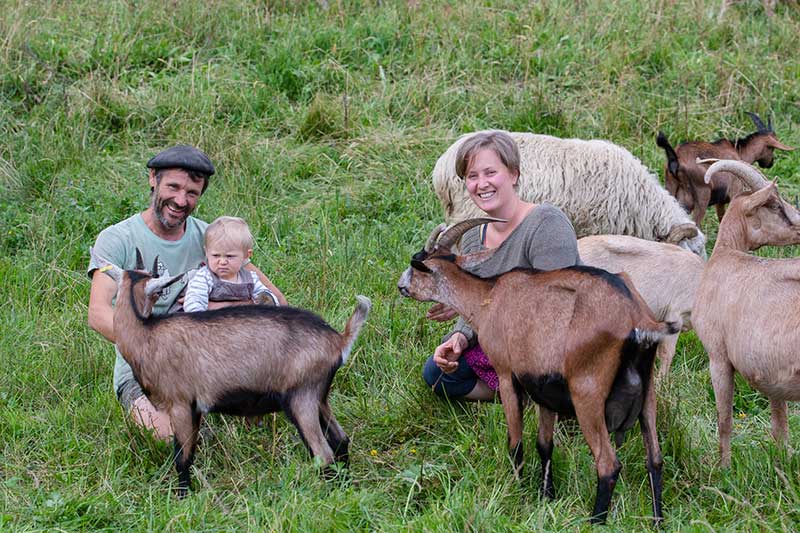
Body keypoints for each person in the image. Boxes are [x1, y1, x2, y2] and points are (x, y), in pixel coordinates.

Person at [87, 145, 286, 440]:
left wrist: (227, 314)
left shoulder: (213, 240)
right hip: (145, 373)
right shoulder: (117, 239)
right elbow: (98, 313)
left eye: (192, 192)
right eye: (174, 187)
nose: (181, 200)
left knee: (264, 421)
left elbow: (276, 303)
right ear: (153, 178)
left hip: (211, 363)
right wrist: (154, 346)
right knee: (174, 437)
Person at [422, 131, 580, 401]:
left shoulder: (546, 223)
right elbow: (478, 305)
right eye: (472, 176)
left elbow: (557, 305)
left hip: (559, 338)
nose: (481, 184)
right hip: (506, 339)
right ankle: (524, 395)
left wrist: (484, 302)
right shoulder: (473, 236)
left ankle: (553, 393)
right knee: (437, 374)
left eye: (490, 173)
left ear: (514, 175)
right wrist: (460, 336)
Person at [183, 216, 280, 312]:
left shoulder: (250, 278)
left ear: (246, 255)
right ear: (207, 253)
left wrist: (267, 300)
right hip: (211, 324)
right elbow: (194, 302)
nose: (222, 262)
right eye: (216, 255)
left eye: (229, 256)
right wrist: (200, 318)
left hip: (244, 323)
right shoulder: (204, 277)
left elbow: (266, 296)